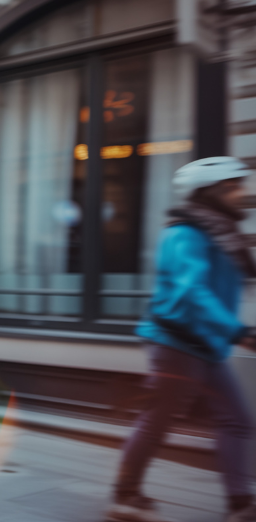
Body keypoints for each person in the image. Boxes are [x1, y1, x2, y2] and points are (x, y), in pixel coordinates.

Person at [107, 157, 256, 522]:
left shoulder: (219, 234)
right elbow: (194, 293)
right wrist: (238, 332)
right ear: (210, 192)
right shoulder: (184, 234)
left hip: (204, 344)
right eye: (234, 186)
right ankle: (124, 496)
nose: (243, 193)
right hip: (175, 344)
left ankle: (240, 504)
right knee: (157, 420)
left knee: (237, 420)